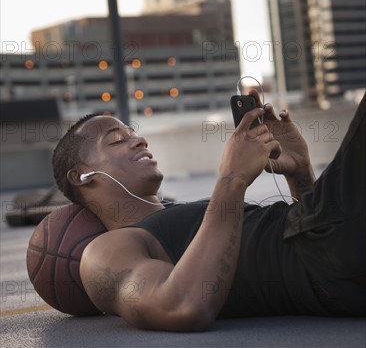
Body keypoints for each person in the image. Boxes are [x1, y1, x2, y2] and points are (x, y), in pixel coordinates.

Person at [52, 90, 366, 331]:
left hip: (332, 241)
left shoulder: (190, 214)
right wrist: (233, 177)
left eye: (134, 134)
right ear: (82, 175)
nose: (139, 140)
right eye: (117, 140)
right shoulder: (106, 251)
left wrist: (300, 174)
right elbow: (182, 306)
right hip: (328, 253)